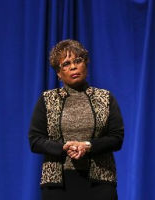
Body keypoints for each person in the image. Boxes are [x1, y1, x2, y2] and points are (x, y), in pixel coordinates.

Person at [28, 39, 124, 200]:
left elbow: (116, 138)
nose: (73, 67)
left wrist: (88, 146)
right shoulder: (47, 99)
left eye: (78, 61)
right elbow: (35, 140)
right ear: (58, 73)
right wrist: (63, 147)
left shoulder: (105, 98)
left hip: (99, 184)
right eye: (65, 64)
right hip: (58, 185)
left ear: (86, 64)